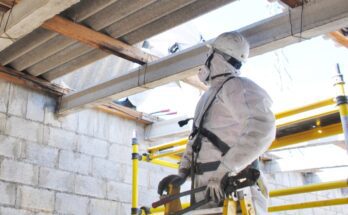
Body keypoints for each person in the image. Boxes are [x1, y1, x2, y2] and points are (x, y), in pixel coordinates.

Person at [158, 31, 276, 214]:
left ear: (217, 57)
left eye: (209, 54)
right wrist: (182, 174)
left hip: (234, 190)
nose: (206, 60)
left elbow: (263, 129)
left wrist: (226, 170)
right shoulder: (208, 96)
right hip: (207, 190)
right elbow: (196, 139)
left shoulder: (238, 87)